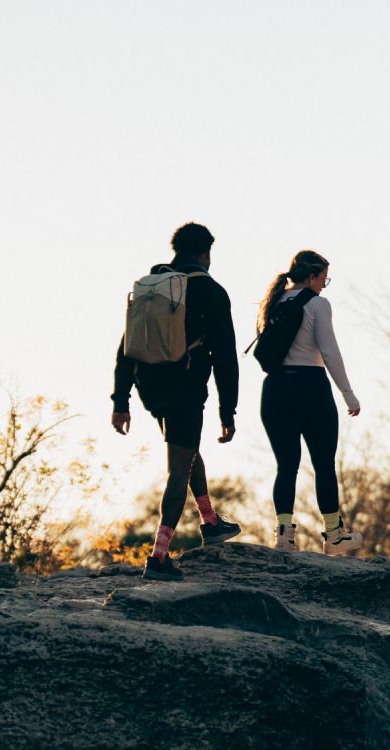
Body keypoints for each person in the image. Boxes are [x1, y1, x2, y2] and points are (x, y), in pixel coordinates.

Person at [112, 222, 242, 582]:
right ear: (206, 254)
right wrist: (227, 410)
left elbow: (126, 347)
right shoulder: (210, 291)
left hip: (149, 386)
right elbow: (226, 355)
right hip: (185, 387)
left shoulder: (151, 287)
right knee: (178, 469)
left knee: (185, 450)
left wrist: (120, 400)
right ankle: (158, 557)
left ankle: (211, 522)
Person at [257, 250, 363, 555]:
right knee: (323, 463)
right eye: (324, 278)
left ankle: (284, 536)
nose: (325, 285)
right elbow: (328, 350)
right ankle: (333, 534)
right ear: (313, 275)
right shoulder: (318, 304)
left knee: (286, 465)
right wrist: (348, 392)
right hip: (311, 387)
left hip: (275, 389)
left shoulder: (272, 302)